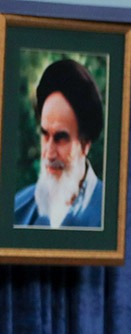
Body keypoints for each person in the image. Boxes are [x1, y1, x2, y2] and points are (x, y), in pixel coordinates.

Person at [13, 58, 104, 229]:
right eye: (45, 135)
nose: (49, 153)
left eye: (60, 138)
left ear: (85, 144)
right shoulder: (16, 211)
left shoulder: (111, 213)